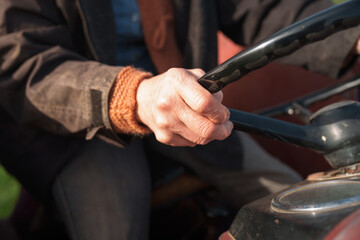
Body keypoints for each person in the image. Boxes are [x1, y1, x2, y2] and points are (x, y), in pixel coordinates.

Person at [0, 0, 359, 239]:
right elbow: (21, 62)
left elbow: (258, 7)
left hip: (185, 104)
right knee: (114, 225)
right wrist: (133, 95)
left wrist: (352, 35)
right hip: (79, 129)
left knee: (293, 199)